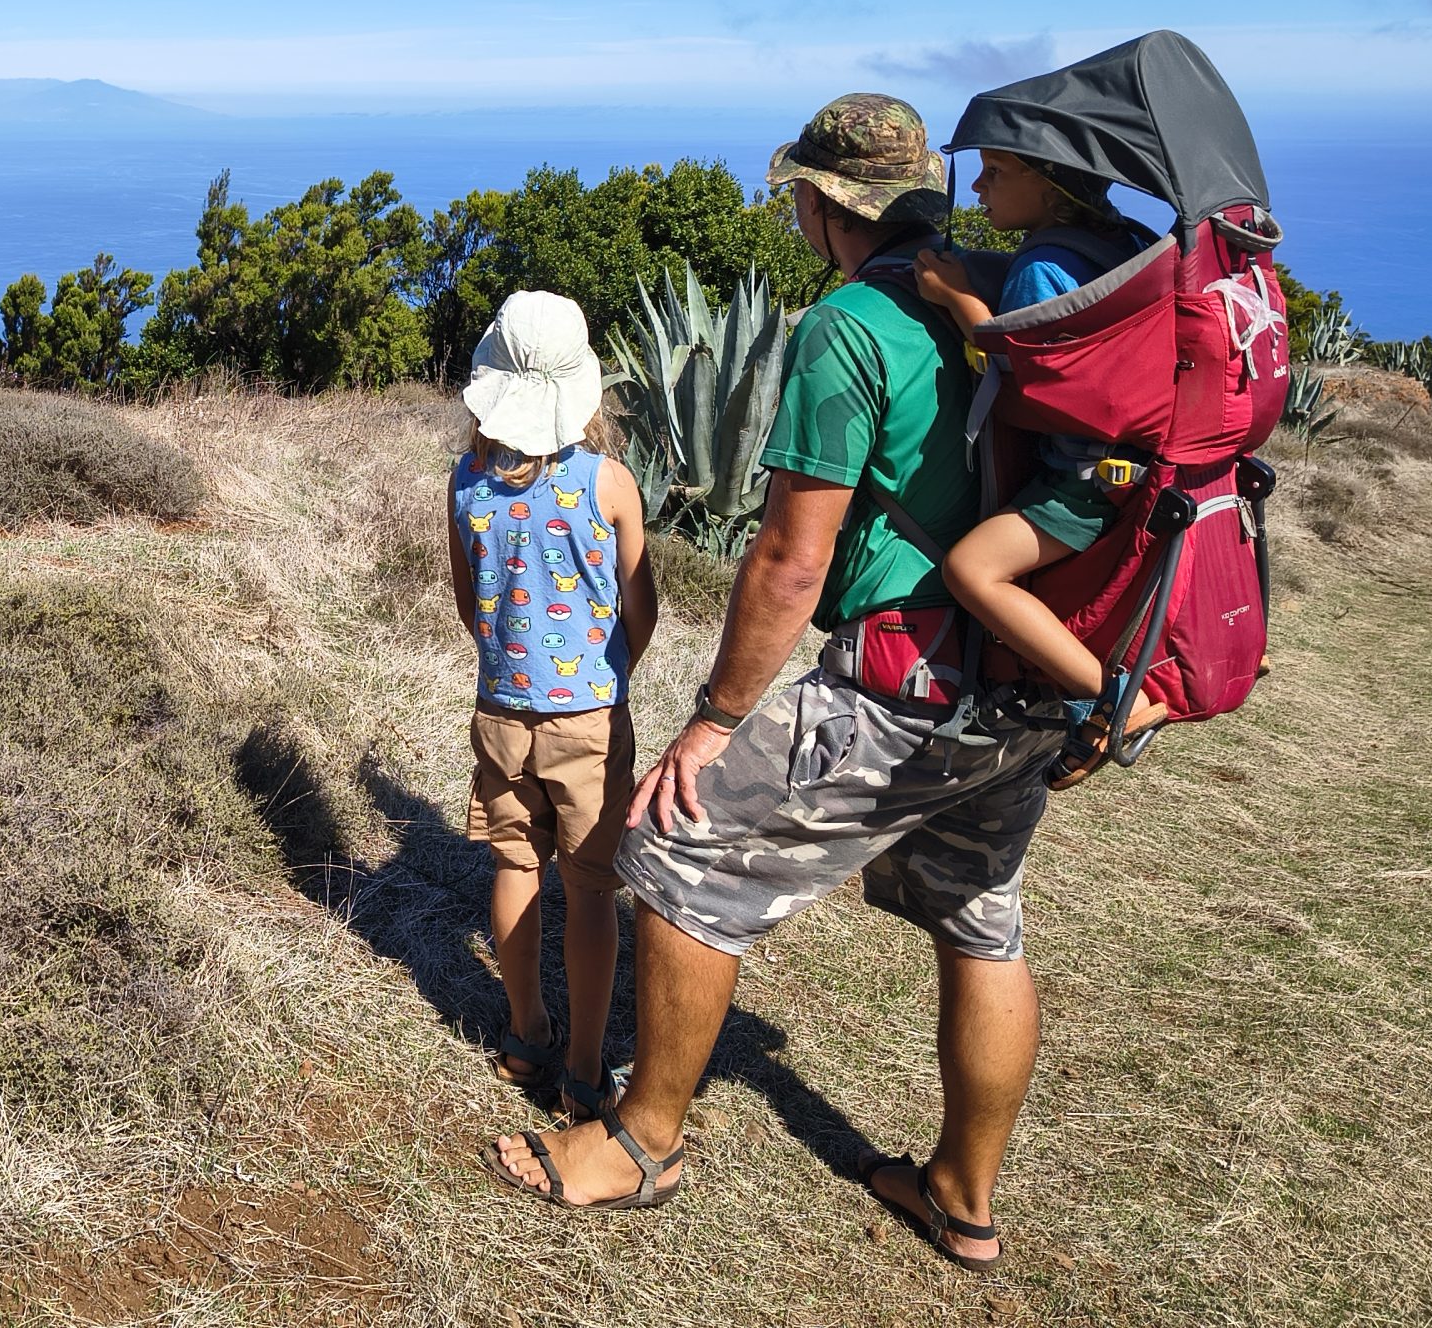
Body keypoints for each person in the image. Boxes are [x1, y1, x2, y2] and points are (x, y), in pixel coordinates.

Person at [487, 95, 1068, 1265]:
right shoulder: (997, 296)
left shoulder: (849, 324)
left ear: (820, 203)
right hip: (1025, 672)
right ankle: (960, 1196)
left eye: (800, 193)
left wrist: (715, 719)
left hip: (907, 676)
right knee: (981, 920)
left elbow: (791, 560)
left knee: (676, 850)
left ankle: (641, 1142)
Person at [448, 290, 657, 1121]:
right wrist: (608, 675)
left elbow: (468, 605)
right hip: (591, 723)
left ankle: (526, 1032)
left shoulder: (466, 483)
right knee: (592, 890)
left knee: (514, 867)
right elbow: (641, 610)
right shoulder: (610, 484)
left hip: (500, 711)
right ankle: (583, 1068)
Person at [910, 150, 1161, 781]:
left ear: (1050, 186)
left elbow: (1024, 381)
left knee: (972, 570)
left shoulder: (1040, 268)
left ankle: (1111, 699)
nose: (977, 185)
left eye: (996, 171)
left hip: (1083, 482)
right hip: (1146, 465)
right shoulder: (1135, 242)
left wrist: (958, 299)